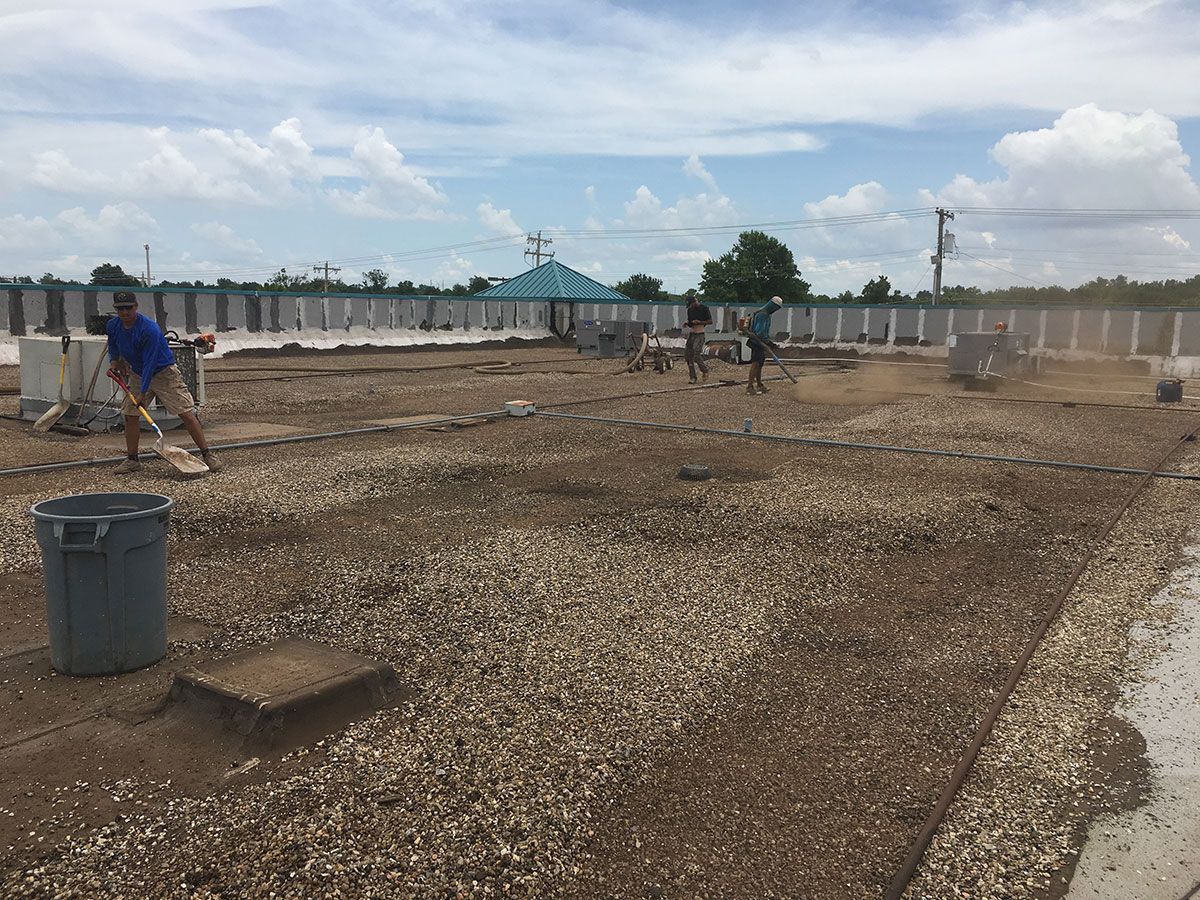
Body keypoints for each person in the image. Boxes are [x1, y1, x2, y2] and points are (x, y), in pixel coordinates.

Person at [106, 291, 222, 474]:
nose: (125, 312)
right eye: (120, 308)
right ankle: (132, 460)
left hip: (163, 373)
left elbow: (150, 362)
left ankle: (207, 454)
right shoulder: (113, 326)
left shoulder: (149, 329)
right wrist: (114, 361)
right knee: (130, 415)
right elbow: (112, 344)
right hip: (137, 372)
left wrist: (143, 393)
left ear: (135, 307)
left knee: (186, 413)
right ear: (116, 310)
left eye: (128, 307)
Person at [745, 295, 783, 395]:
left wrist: (769, 343)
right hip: (757, 342)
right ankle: (749, 387)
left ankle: (759, 385)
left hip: (761, 342)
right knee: (755, 363)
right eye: (776, 308)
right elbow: (760, 332)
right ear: (772, 306)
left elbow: (764, 333)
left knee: (759, 364)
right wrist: (769, 343)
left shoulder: (766, 314)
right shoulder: (762, 314)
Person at [683, 291, 712, 384]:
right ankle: (693, 377)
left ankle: (705, 370)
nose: (691, 307)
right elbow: (691, 322)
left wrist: (699, 322)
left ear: (695, 301)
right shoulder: (690, 310)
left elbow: (710, 321)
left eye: (691, 305)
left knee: (696, 353)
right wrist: (687, 323)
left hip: (700, 333)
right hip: (692, 333)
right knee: (688, 355)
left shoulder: (704, 308)